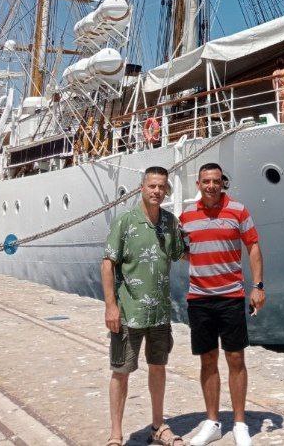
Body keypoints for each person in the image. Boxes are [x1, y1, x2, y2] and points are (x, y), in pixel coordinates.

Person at [180, 164, 265, 446]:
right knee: (207, 360)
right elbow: (182, 251)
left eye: (216, 181)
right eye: (206, 181)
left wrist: (258, 286)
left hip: (230, 296)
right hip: (199, 298)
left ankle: (240, 423)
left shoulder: (238, 210)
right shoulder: (186, 216)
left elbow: (252, 245)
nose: (211, 186)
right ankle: (213, 421)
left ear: (222, 183)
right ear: (198, 184)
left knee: (236, 359)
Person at [102, 166, 186, 446]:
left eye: (162, 187)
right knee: (121, 372)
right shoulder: (125, 222)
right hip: (128, 312)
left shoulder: (171, 223)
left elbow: (183, 253)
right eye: (152, 186)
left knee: (158, 367)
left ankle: (159, 426)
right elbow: (107, 263)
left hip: (160, 313)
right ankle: (115, 433)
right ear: (142, 187)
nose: (157, 191)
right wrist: (110, 306)